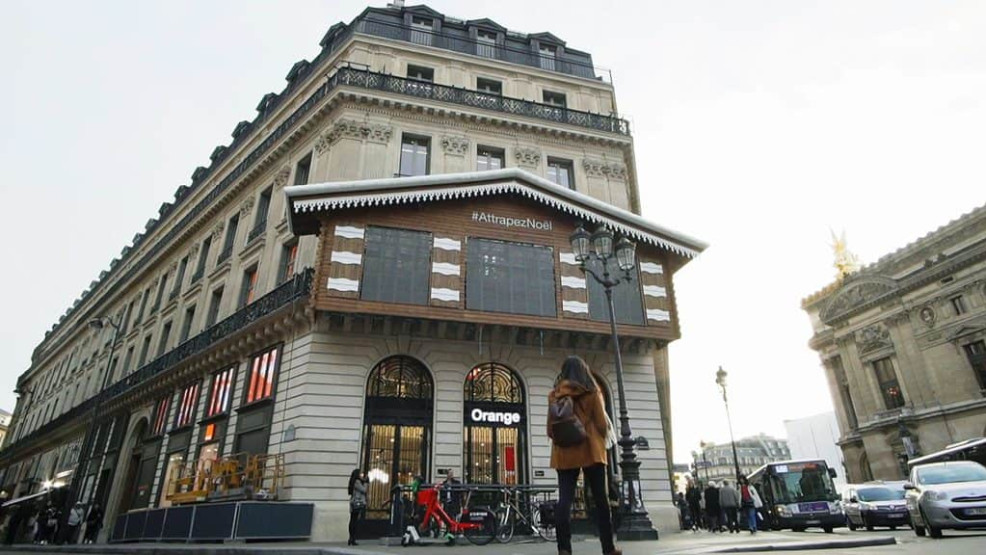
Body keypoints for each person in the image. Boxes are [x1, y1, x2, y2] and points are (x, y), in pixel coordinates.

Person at [547, 356, 620, 555]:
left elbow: (550, 430)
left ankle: (564, 549)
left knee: (564, 501)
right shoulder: (592, 392)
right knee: (600, 500)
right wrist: (599, 436)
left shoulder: (555, 395)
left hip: (564, 453)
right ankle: (608, 548)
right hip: (591, 450)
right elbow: (602, 425)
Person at [347, 468, 367, 546]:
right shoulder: (357, 482)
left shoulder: (353, 482)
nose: (361, 475)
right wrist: (365, 482)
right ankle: (352, 538)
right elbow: (364, 490)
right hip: (357, 502)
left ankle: (351, 538)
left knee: (352, 520)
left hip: (353, 502)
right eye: (360, 474)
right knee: (354, 520)